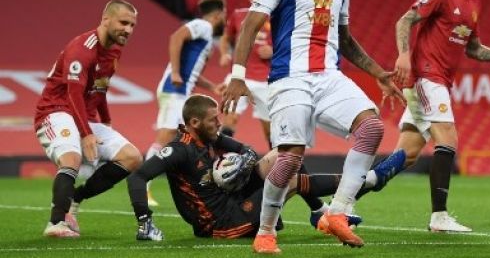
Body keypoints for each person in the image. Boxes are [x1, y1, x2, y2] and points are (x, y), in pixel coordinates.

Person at [220, 0, 404, 253]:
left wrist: (378, 72)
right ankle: (265, 231)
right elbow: (250, 26)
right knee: (289, 158)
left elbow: (346, 40)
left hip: (329, 76)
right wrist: (237, 75)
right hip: (290, 78)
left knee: (372, 128)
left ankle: (338, 211)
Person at [367, 0, 490, 233]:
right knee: (448, 141)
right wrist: (403, 55)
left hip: (436, 82)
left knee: (408, 155)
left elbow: (473, 48)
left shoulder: (474, 2)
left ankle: (348, 195)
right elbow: (405, 20)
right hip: (427, 77)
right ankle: (439, 217)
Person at [127, 94, 383, 241]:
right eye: (213, 120)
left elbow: (245, 149)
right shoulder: (179, 150)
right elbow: (137, 176)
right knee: (289, 180)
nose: (220, 123)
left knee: (284, 155)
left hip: (232, 200)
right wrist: (144, 222)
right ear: (194, 122)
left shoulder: (210, 137)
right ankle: (365, 180)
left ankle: (319, 212)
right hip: (220, 223)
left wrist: (244, 161)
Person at [35, 0, 142, 237]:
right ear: (105, 19)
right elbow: (73, 94)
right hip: (55, 111)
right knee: (71, 158)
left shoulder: (114, 50)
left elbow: (100, 88)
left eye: (132, 25)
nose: (128, 29)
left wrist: (106, 120)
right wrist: (86, 134)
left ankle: (74, 198)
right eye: (124, 22)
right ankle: (56, 223)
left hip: (84, 116)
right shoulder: (82, 49)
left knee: (132, 157)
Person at [144, 0, 226, 206]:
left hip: (181, 90)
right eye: (224, 15)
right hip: (174, 89)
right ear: (218, 14)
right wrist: (175, 72)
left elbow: (193, 71)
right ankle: (142, 184)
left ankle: (191, 186)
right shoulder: (202, 26)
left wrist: (211, 87)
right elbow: (176, 37)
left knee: (182, 138)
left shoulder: (205, 36)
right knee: (166, 136)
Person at [218, 0, 272, 144]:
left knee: (270, 131)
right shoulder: (238, 15)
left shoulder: (276, 18)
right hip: (239, 76)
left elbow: (289, 46)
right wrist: (224, 53)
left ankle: (278, 167)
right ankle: (220, 160)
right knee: (229, 119)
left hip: (266, 80)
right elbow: (225, 38)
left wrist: (273, 51)